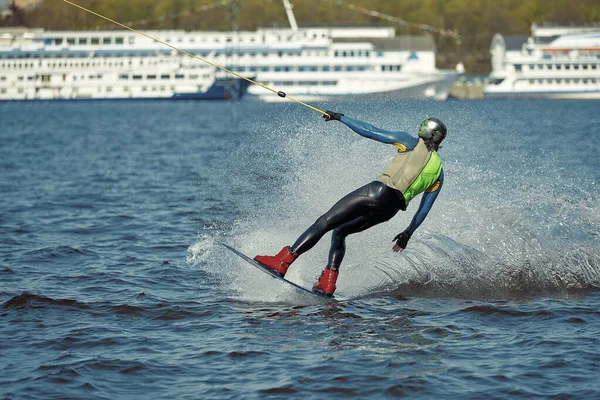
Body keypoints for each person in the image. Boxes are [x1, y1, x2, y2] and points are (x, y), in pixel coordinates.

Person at [254, 111, 447, 297]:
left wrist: (340, 118)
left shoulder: (410, 141)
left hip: (377, 192)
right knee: (340, 231)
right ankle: (328, 281)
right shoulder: (439, 173)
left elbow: (370, 131)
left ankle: (283, 261)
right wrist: (407, 233)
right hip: (390, 210)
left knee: (325, 221)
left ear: (427, 132)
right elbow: (424, 209)